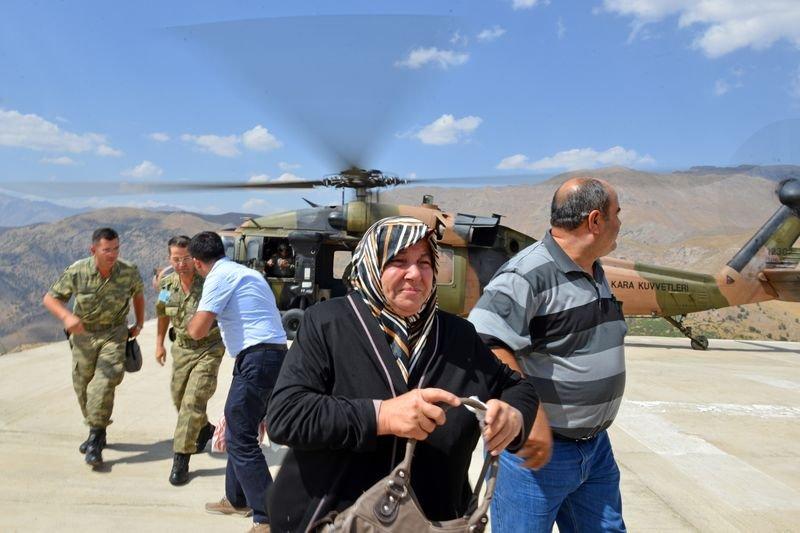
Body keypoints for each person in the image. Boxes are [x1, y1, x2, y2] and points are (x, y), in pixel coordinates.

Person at [266, 216, 540, 533]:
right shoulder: (326, 323)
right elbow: (286, 415)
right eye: (398, 261)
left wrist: (514, 415)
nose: (414, 274)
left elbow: (518, 388)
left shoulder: (458, 336)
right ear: (371, 266)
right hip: (335, 519)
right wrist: (380, 415)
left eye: (424, 263)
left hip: (434, 521)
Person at [468, 177, 627, 532]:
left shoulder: (593, 269)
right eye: (617, 214)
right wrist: (531, 412)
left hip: (595, 450)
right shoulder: (527, 273)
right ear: (596, 221)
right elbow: (483, 340)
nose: (620, 223)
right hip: (538, 458)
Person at [186, 231, 287, 533]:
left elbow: (198, 330)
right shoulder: (246, 272)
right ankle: (237, 498)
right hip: (270, 356)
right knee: (238, 427)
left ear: (197, 262)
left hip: (257, 358)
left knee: (240, 436)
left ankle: (268, 516)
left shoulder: (218, 277)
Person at [42, 227, 145, 467]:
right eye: (107, 249)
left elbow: (138, 295)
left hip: (114, 333)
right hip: (83, 336)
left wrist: (139, 322)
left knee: (103, 383)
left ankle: (96, 440)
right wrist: (67, 317)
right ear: (94, 250)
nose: (112, 254)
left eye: (116, 248)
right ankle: (95, 427)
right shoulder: (78, 271)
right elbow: (50, 298)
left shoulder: (128, 271)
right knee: (83, 386)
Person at [155, 236, 226, 486]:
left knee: (192, 402)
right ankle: (204, 429)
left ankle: (181, 458)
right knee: (179, 398)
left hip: (208, 349)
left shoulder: (208, 282)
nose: (181, 264)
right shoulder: (166, 285)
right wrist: (159, 344)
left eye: (186, 258)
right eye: (176, 259)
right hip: (181, 350)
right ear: (169, 259)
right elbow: (162, 314)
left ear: (194, 259)